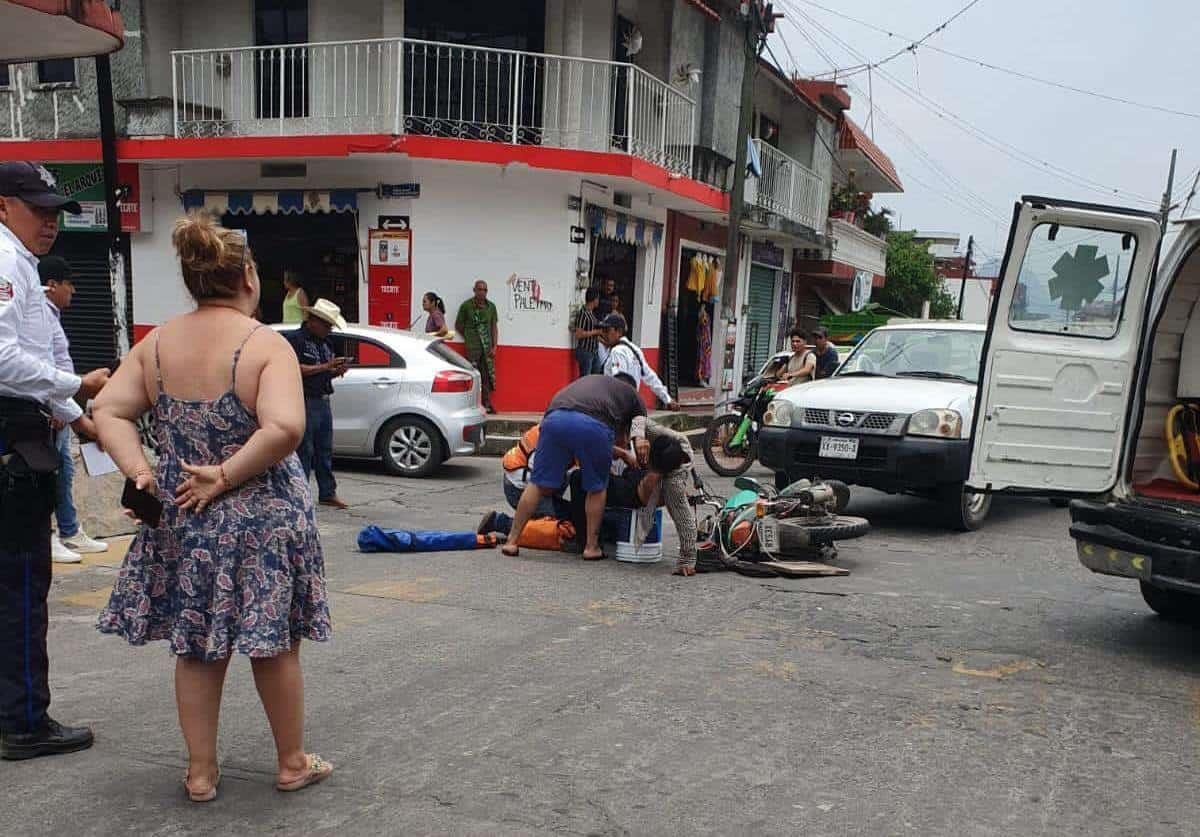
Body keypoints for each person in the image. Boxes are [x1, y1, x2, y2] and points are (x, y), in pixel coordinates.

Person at [93, 213, 333, 800]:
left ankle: (200, 772)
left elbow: (109, 411)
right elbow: (284, 428)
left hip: (183, 516)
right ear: (247, 277)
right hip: (263, 518)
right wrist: (224, 475)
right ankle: (292, 762)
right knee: (273, 643)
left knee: (195, 646)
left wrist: (141, 472)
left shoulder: (156, 344)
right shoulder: (263, 344)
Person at [0, 161, 110, 761]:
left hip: (28, 430)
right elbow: (4, 359)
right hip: (13, 439)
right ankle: (24, 723)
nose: (49, 223)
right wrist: (77, 385)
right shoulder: (6, 263)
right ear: (2, 206)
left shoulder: (22, 265)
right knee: (20, 587)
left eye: (53, 213)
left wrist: (77, 415)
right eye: (36, 210)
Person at [501, 372, 646, 562]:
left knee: (537, 484)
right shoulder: (634, 398)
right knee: (596, 489)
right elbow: (638, 433)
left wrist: (622, 454)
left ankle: (512, 541)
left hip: (554, 417)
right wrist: (640, 447)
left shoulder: (594, 381)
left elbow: (578, 423)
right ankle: (591, 547)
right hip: (594, 425)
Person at [39, 255, 107, 562]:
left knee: (63, 470)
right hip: (46, 410)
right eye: (70, 283)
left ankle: (68, 530)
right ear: (52, 285)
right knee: (47, 474)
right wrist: (73, 415)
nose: (74, 291)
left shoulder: (50, 315)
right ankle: (46, 534)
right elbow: (43, 371)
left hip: (58, 408)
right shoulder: (38, 315)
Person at [287, 298, 349, 510]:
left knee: (325, 449)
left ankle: (327, 492)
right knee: (305, 450)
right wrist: (326, 366)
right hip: (305, 400)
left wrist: (334, 371)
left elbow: (322, 372)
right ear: (313, 320)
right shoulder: (296, 340)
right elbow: (295, 368)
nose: (329, 329)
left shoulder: (326, 343)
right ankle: (301, 493)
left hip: (322, 399)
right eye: (327, 324)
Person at [599, 312, 680, 410]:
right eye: (603, 330)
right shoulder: (635, 350)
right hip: (631, 405)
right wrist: (667, 399)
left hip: (617, 406)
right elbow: (651, 377)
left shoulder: (617, 351)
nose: (603, 334)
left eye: (607, 330)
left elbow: (619, 382)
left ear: (619, 331)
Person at [455, 280, 498, 413]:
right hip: (472, 349)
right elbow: (459, 325)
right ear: (474, 290)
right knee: (472, 377)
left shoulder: (491, 307)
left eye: (484, 290)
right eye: (479, 289)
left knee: (486, 377)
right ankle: (471, 406)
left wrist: (494, 346)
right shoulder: (466, 306)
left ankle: (486, 404)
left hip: (487, 349)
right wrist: (470, 338)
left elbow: (494, 327)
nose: (482, 292)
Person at [573, 288, 603, 377]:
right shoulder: (583, 313)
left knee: (595, 376)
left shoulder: (591, 314)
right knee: (585, 378)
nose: (598, 301)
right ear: (593, 299)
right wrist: (596, 332)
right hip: (585, 351)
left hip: (593, 351)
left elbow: (593, 334)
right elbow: (579, 334)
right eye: (597, 299)